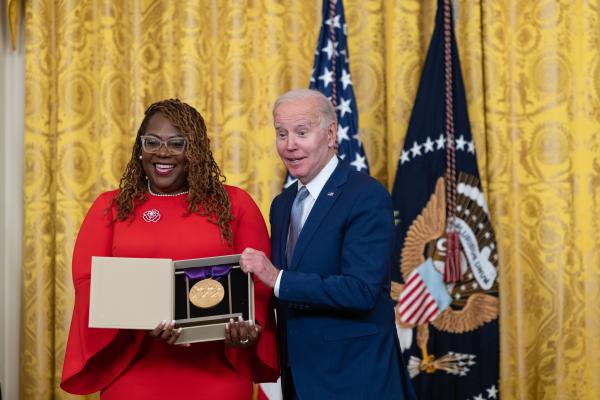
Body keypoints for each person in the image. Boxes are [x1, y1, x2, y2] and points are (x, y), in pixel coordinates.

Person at [60, 99, 279, 399]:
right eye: (152, 142)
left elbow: (258, 286)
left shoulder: (235, 205)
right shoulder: (110, 207)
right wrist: (140, 320)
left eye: (178, 144)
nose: (163, 152)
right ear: (140, 147)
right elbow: (88, 283)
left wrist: (248, 330)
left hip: (216, 375)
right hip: (134, 372)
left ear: (196, 151)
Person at [240, 89, 416, 399]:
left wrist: (277, 278)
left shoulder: (365, 196)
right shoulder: (283, 205)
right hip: (299, 379)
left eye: (302, 132)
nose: (290, 144)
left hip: (356, 379)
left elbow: (360, 291)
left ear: (331, 133)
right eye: (281, 133)